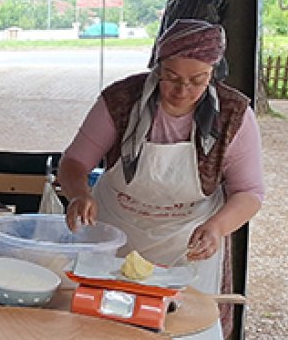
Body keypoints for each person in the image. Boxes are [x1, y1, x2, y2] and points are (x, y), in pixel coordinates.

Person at [57, 19, 265, 295]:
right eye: (172, 77)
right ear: (157, 67)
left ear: (213, 72)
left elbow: (249, 191)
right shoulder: (121, 100)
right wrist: (80, 194)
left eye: (197, 80)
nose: (182, 91)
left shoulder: (233, 115)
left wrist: (217, 227)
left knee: (180, 325)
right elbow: (74, 162)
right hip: (116, 234)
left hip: (189, 243)